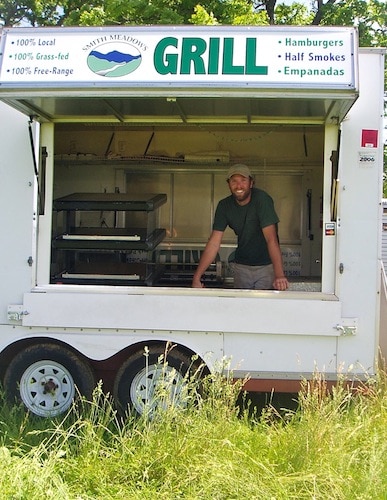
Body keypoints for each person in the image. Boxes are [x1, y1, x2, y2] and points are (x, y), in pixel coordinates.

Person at [192, 164, 289, 291]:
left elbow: (271, 240)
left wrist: (279, 275)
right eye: (234, 181)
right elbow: (214, 242)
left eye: (243, 181)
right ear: (228, 184)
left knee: (262, 307)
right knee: (242, 308)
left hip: (266, 266)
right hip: (241, 266)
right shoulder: (224, 206)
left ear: (251, 183)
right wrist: (196, 278)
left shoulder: (262, 200)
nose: (239, 186)